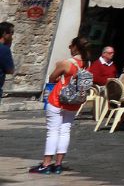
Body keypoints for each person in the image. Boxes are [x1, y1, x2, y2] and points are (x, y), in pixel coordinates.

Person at [30, 37, 89, 176]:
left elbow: (52, 78)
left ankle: (46, 164)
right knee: (65, 131)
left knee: (52, 131)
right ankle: (58, 165)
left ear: (74, 47)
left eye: (70, 46)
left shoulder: (66, 63)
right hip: (73, 103)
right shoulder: (87, 64)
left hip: (58, 100)